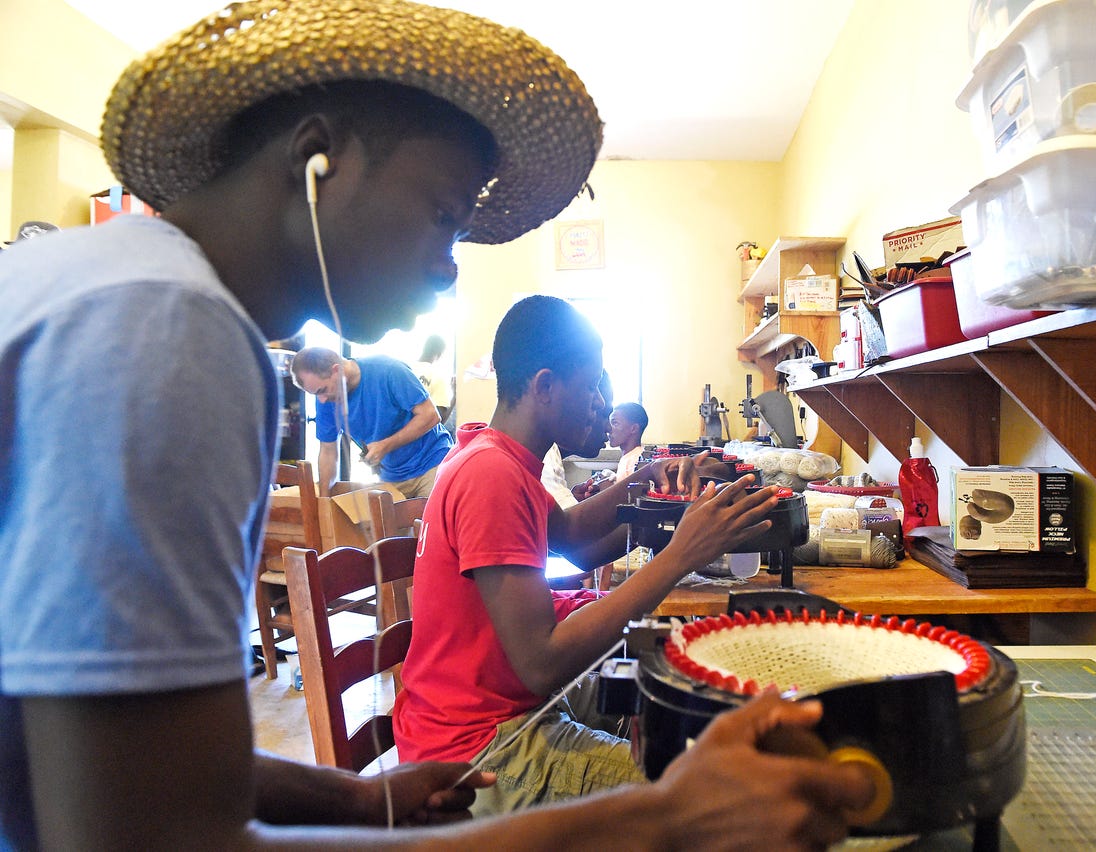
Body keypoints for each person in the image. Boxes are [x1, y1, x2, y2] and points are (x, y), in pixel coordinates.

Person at [0, 2, 873, 849]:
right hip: (489, 737)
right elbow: (156, 835)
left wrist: (355, 799)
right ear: (317, 160)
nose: (451, 269)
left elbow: (129, 766)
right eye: (444, 214)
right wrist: (665, 823)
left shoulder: (111, 289)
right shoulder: (172, 333)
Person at [393, 295, 803, 815]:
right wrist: (679, 555)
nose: (599, 404)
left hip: (496, 713)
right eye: (589, 386)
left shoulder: (490, 455)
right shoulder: (491, 475)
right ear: (544, 386)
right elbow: (542, 664)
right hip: (481, 751)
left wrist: (649, 484)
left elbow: (570, 537)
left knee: (671, 702)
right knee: (711, 792)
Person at [291, 346, 451, 499]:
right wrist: (323, 503)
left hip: (432, 461)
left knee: (431, 517)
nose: (322, 399)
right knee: (374, 517)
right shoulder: (326, 400)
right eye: (315, 394)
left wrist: (385, 445)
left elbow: (430, 415)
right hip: (391, 474)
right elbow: (328, 451)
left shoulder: (387, 370)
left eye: (322, 390)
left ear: (337, 371)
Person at [543, 370, 614, 507]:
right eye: (605, 415)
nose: (609, 428)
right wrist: (646, 473)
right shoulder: (546, 459)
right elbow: (569, 521)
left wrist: (570, 497)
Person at [415, 333, 455, 432]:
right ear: (440, 354)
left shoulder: (405, 369)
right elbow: (439, 419)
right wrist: (455, 396)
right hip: (421, 437)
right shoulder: (437, 377)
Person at [609, 401, 649, 478]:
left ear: (634, 428)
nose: (608, 428)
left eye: (615, 423)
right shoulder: (628, 458)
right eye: (610, 423)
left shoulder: (635, 461)